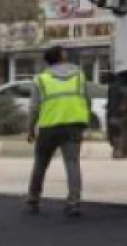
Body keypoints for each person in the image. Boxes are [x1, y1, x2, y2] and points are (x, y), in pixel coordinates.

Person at [24, 45, 90, 217]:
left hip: (49, 127)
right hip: (74, 125)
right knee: (72, 164)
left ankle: (33, 201)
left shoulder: (40, 79)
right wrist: (86, 122)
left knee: (40, 164)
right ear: (62, 57)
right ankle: (74, 203)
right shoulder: (79, 75)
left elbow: (34, 107)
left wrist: (30, 129)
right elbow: (86, 99)